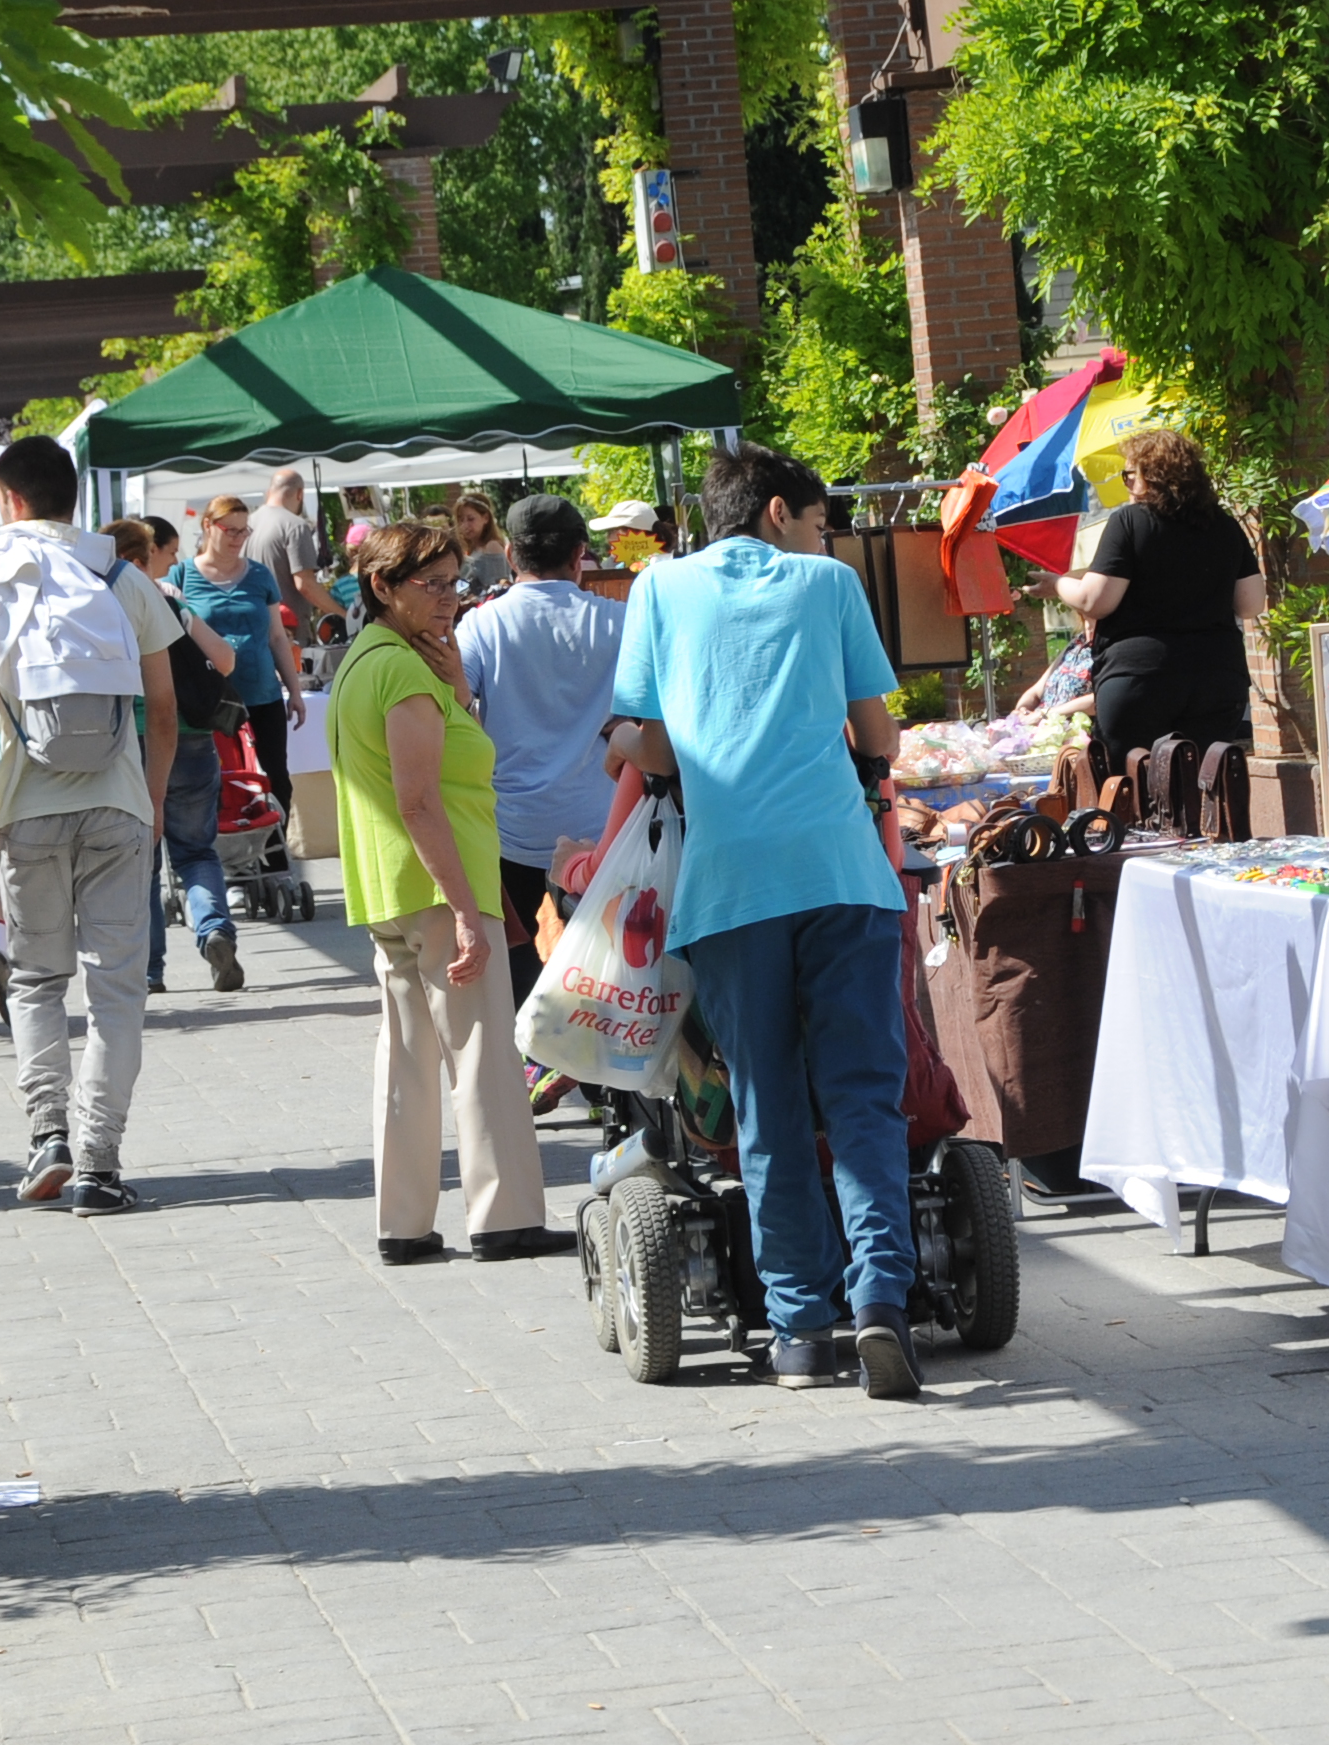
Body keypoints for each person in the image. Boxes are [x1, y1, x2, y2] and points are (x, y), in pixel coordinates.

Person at [609, 442, 922, 1399]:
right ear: (779, 511)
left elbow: (645, 738)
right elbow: (880, 735)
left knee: (767, 1104)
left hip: (730, 885)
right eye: (819, 517)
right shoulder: (827, 584)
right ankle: (881, 1300)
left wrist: (657, 743)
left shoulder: (657, 590)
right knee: (864, 1097)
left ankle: (798, 1331)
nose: (823, 534)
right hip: (838, 871)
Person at [0, 437, 182, 1216]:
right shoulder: (123, 576)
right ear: (78, 498)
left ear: (7, 500)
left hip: (23, 809)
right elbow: (166, 711)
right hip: (118, 807)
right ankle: (100, 1167)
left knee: (38, 980)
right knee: (116, 992)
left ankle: (48, 1137)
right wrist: (155, 799)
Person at [326, 521, 563, 1267]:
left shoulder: (373, 660)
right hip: (439, 881)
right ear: (382, 588)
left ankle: (403, 1223)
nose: (447, 599)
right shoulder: (396, 667)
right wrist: (466, 908)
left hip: (391, 886)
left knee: (406, 1062)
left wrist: (456, 679)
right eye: (428, 584)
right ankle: (505, 1216)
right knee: (486, 1054)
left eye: (454, 582)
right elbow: (420, 799)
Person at [452, 494, 628, 1017]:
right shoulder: (621, 620)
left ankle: (532, 1070)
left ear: (510, 554)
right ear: (580, 555)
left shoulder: (481, 625)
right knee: (606, 968)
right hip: (604, 826)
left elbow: (458, 711)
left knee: (526, 966)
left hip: (513, 828)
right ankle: (603, 1084)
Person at [1021, 429, 1267, 765]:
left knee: (1137, 788)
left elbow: (1096, 601)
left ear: (1151, 477)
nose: (1127, 484)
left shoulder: (1129, 522)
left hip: (1140, 678)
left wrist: (1058, 584)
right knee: (1204, 784)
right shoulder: (1224, 525)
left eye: (1129, 475)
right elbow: (1251, 603)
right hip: (1216, 676)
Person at [106, 518, 242, 995]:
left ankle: (150, 970)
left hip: (129, 742)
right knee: (196, 850)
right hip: (191, 739)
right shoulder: (168, 603)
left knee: (138, 856)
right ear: (141, 561)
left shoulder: (99, 608)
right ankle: (214, 929)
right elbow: (224, 659)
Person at [173, 494, 307, 838]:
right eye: (229, 530)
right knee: (220, 781)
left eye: (243, 531)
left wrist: (294, 690)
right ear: (207, 526)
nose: (237, 538)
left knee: (276, 777)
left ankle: (273, 856)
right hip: (210, 700)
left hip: (262, 694)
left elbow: (277, 638)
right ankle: (226, 858)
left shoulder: (259, 575)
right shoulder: (183, 574)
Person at [244, 466, 348, 642]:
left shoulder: (246, 524)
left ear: (269, 492)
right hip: (287, 630)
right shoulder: (294, 525)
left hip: (253, 624)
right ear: (300, 494)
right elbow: (305, 584)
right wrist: (343, 614)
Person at [1015, 625, 1097, 718]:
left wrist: (1046, 714)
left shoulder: (1110, 647)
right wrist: (1022, 710)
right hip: (1040, 726)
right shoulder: (1077, 642)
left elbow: (1102, 700)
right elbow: (1036, 692)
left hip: (1072, 729)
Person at [451, 493, 512, 597]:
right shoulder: (471, 547)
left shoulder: (491, 546)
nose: (465, 525)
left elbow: (496, 588)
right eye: (461, 520)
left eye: (471, 519)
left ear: (486, 518)